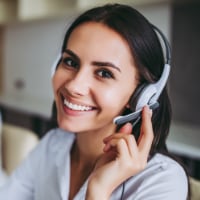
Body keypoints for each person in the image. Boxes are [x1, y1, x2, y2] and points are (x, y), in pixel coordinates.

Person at [0, 3, 189, 200]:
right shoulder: (53, 144)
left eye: (104, 73)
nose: (74, 86)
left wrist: (99, 189)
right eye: (70, 62)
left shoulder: (161, 182)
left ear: (141, 95)